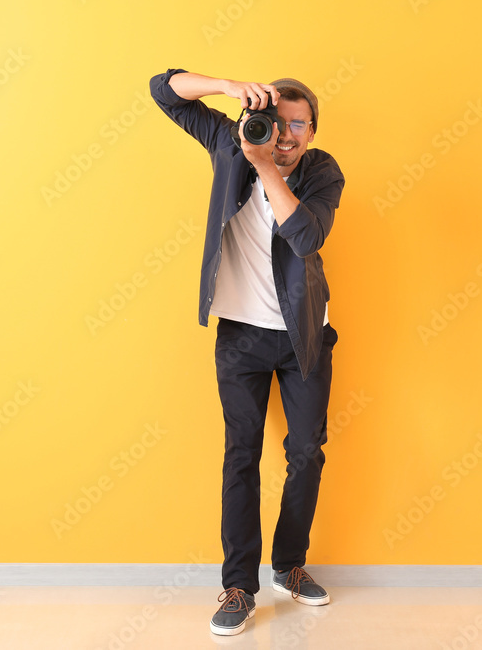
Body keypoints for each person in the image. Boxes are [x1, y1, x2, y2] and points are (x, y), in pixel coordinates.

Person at [149, 68, 345, 636]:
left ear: (312, 131)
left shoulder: (322, 171)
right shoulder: (229, 144)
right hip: (240, 335)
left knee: (306, 451)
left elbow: (306, 238)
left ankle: (289, 566)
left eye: (296, 125)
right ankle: (238, 585)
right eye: (274, 121)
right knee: (242, 454)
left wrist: (264, 166)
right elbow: (164, 90)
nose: (282, 134)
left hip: (305, 331)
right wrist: (230, 90)